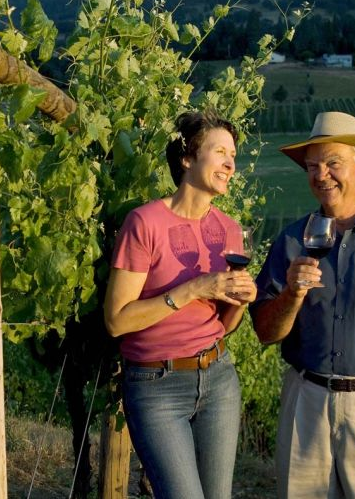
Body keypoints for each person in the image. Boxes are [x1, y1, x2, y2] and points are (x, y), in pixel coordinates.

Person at [104, 109, 257, 499]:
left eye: (233, 155)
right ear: (187, 158)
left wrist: (240, 300)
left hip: (218, 377)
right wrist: (193, 289)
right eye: (220, 151)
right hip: (156, 387)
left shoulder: (229, 229)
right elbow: (117, 321)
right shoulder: (145, 224)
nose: (230, 163)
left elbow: (225, 324)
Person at [249, 111, 355, 499]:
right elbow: (265, 332)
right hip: (307, 402)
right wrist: (291, 295)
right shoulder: (292, 240)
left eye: (332, 163)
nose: (320, 175)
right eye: (312, 166)